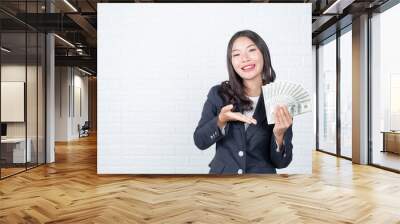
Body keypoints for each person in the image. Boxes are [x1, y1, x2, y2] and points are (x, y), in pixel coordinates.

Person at [193, 30, 293, 174]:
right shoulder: (218, 94)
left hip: (261, 186)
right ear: (231, 62)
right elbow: (200, 142)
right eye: (236, 54)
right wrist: (221, 120)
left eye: (251, 50)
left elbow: (282, 163)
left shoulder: (279, 100)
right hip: (222, 183)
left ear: (263, 54)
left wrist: (279, 135)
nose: (244, 58)